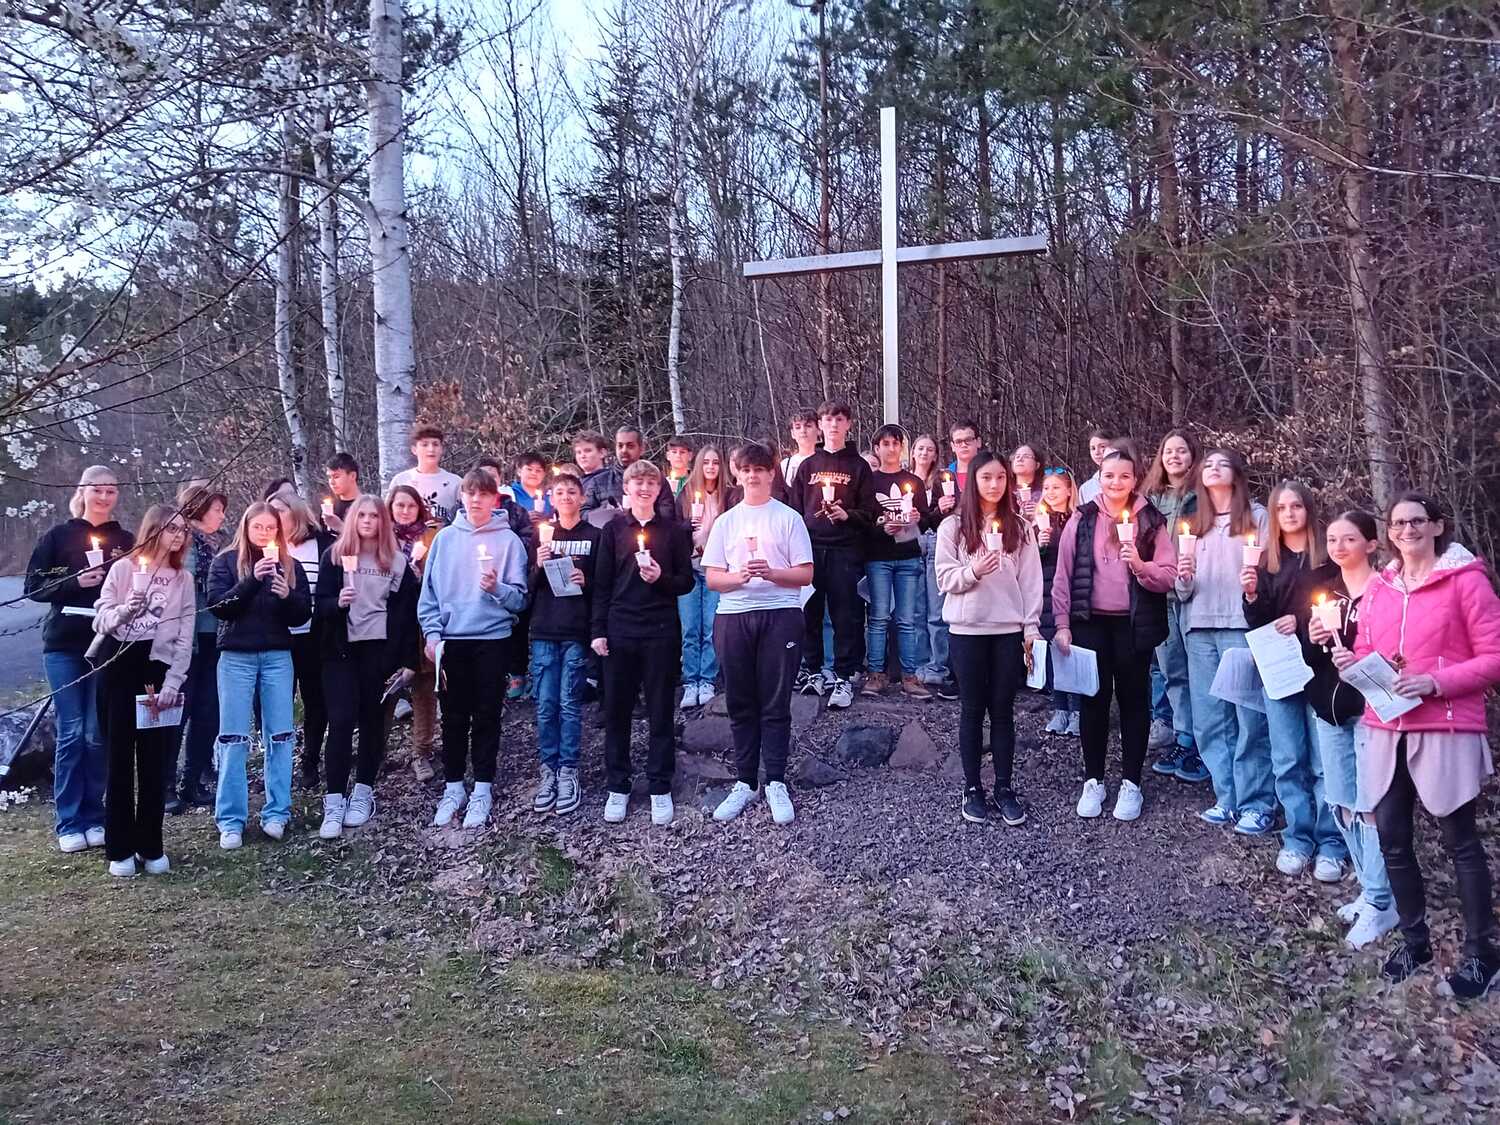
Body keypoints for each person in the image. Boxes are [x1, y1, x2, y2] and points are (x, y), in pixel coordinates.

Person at [1340, 493, 1500, 998]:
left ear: (1437, 526)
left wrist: (1435, 682)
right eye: (1398, 523)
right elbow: (1367, 648)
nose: (1407, 530)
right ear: (1388, 532)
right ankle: (1415, 942)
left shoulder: (1466, 581)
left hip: (1445, 727)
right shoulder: (1381, 588)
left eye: (1417, 521)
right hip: (1386, 727)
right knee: (1392, 838)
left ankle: (1482, 954)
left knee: (1460, 842)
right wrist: (1352, 664)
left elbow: (1494, 656)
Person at [1052, 450, 1177, 821]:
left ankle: (1131, 782)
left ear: (1135, 479)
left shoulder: (1151, 519)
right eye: (1109, 476)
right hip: (1090, 621)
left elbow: (1168, 574)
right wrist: (1062, 623)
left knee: (1134, 701)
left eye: (1124, 476)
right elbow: (1064, 573)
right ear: (1099, 478)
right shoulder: (1083, 517)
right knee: (1093, 700)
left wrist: (1140, 565)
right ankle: (1093, 780)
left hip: (1133, 624)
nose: (1116, 483)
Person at [704, 442, 815, 826]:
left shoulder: (788, 518)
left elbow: (805, 573)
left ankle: (776, 780)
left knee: (775, 701)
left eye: (760, 469)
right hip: (735, 616)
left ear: (771, 474)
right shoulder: (726, 522)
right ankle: (746, 780)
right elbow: (713, 578)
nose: (753, 476)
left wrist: (772, 573)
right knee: (741, 701)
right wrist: (738, 577)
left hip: (780, 614)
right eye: (747, 469)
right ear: (737, 474)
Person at [26, 465, 134, 853]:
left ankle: (95, 815)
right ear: (83, 491)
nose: (104, 497)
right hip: (64, 645)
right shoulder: (58, 536)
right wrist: (73, 582)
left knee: (96, 732)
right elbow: (34, 586)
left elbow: (138, 583)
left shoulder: (125, 540)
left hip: (107, 645)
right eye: (97, 490)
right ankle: (69, 821)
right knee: (71, 731)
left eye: (111, 491)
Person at [1243, 480, 1348, 881]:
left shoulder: (1328, 560)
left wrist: (1302, 620)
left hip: (1322, 669)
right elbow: (1258, 621)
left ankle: (1332, 841)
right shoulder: (1268, 562)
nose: (1289, 513)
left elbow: (1341, 608)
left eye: (1296, 506)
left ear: (1309, 510)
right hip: (1281, 670)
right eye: (1281, 508)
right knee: (1288, 758)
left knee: (1324, 762)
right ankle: (1298, 837)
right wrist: (1251, 596)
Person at [1304, 510, 1397, 949]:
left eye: (1350, 539)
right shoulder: (1329, 593)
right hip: (1330, 709)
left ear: (1371, 544)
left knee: (1370, 805)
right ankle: (1368, 885)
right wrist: (1312, 638)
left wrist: (1360, 660)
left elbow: (1398, 654)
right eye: (1333, 540)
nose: (1339, 547)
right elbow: (1312, 659)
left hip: (1370, 710)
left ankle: (1382, 900)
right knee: (1341, 802)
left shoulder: (1386, 592)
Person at [935, 451, 1042, 826]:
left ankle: (1004, 787)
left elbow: (1031, 582)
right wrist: (973, 570)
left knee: (1002, 711)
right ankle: (972, 787)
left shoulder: (1021, 528)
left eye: (1000, 477)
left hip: (1007, 631)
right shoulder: (953, 527)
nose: (994, 484)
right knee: (971, 709)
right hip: (967, 631)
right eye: (986, 477)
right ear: (973, 482)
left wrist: (1030, 628)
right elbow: (944, 579)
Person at [417, 470, 529, 829]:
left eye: (483, 494)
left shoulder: (509, 541)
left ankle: (482, 787)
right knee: (452, 717)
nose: (476, 500)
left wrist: (497, 588)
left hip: (492, 639)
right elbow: (428, 595)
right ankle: (453, 787)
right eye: (470, 493)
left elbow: (520, 601)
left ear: (494, 499)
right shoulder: (445, 539)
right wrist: (432, 634)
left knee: (486, 715)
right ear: (462, 498)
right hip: (452, 640)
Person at [92, 505, 195, 876]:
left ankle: (151, 845)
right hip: (119, 664)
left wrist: (174, 681)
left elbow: (185, 636)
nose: (179, 536)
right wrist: (124, 611)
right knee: (119, 758)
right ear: (153, 530)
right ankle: (120, 848)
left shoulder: (182, 578)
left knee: (154, 760)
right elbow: (101, 618)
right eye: (172, 528)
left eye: (183, 530)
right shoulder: (123, 569)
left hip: (157, 668)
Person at [1176, 448, 1274, 833]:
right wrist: (1183, 578)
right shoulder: (1192, 523)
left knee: (1248, 718)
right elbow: (1182, 591)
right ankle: (1227, 797)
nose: (1214, 469)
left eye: (1223, 464)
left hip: (1240, 626)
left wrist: (1256, 589)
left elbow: (1270, 574)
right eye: (1209, 465)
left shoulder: (1257, 517)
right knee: (1209, 717)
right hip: (1199, 627)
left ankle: (1257, 802)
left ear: (1236, 474)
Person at [592, 460, 695, 827]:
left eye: (651, 482)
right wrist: (598, 630)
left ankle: (659, 785)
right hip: (620, 629)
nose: (644, 488)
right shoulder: (612, 530)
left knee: (660, 710)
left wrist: (660, 578)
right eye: (638, 482)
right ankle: (618, 786)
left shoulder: (673, 531)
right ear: (627, 488)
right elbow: (601, 585)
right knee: (617, 711)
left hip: (660, 630)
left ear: (658, 489)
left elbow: (686, 582)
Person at [314, 495, 420, 839]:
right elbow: (320, 606)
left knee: (374, 722)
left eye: (374, 516)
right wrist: (336, 604)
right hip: (341, 652)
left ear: (383, 521)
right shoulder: (335, 556)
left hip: (379, 651)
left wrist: (408, 661)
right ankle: (334, 800)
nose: (368, 521)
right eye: (362, 515)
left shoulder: (396, 562)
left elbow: (407, 616)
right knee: (341, 721)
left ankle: (363, 792)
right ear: (352, 519)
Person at [208, 502, 312, 850]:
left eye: (271, 528)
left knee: (280, 735)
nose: (265, 533)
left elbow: (302, 614)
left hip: (277, 656)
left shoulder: (291, 565)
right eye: (258, 527)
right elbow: (219, 607)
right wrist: (252, 580)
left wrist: (286, 596)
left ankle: (277, 812)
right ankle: (230, 819)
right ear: (246, 528)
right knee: (234, 737)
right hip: (236, 656)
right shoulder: (226, 562)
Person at [788, 400, 877, 709]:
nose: (834, 425)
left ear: (848, 424)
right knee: (810, 613)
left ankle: (843, 675)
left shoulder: (859, 467)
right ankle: (813, 670)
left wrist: (847, 515)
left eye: (839, 419)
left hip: (845, 551)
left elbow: (870, 513)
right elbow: (795, 512)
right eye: (828, 419)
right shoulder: (808, 466)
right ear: (820, 426)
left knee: (845, 616)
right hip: (811, 549)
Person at [528, 472, 600, 816]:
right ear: (551, 499)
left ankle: (569, 770)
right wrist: (538, 565)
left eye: (573, 491)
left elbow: (604, 585)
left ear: (582, 498)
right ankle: (549, 769)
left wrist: (587, 579)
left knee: (569, 704)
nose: (567, 497)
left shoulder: (595, 536)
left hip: (576, 629)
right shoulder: (541, 535)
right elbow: (527, 587)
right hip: (544, 628)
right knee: (545, 705)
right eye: (560, 492)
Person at [1143, 430, 1208, 783]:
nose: (1174, 456)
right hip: (1162, 596)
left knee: (1200, 672)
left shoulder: (1202, 496)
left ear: (1192, 456)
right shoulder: (1151, 498)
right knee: (1173, 671)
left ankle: (1205, 742)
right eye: (1168, 451)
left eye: (1181, 450)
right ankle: (1184, 738)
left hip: (1195, 594)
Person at [169, 481, 230, 813]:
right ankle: (167, 783)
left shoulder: (221, 542)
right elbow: (181, 593)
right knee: (179, 711)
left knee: (208, 711)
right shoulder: (184, 542)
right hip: (186, 639)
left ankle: (192, 780)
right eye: (217, 509)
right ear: (201, 509)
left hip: (214, 636)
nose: (222, 515)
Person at [267, 488, 332, 788]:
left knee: (315, 701)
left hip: (313, 637)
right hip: (276, 637)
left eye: (279, 511)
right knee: (277, 703)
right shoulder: (266, 548)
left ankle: (310, 761)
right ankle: (276, 763)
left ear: (295, 512)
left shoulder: (322, 544)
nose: (274, 517)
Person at [862, 424, 933, 700]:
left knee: (906, 619)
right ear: (877, 448)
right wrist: (883, 527)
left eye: (895, 443)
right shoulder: (869, 481)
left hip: (908, 556)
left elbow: (926, 520)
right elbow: (864, 520)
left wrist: (916, 518)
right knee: (879, 617)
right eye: (885, 444)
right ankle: (876, 674)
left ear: (902, 448)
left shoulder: (913, 482)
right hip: (878, 557)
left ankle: (910, 676)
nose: (891, 449)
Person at [388, 485, 443, 782]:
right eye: (400, 505)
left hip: (422, 620)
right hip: (389, 623)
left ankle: (422, 751)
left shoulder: (433, 537)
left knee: (424, 687)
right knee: (387, 686)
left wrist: (420, 577)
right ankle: (376, 752)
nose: (405, 511)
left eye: (410, 506)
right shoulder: (382, 538)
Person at [678, 445, 726, 708]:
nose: (710, 467)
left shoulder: (727, 495)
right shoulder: (686, 495)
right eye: (706, 462)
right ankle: (690, 681)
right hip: (689, 567)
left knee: (710, 626)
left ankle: (707, 679)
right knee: (690, 628)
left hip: (714, 567)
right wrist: (687, 528)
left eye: (715, 462)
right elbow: (673, 529)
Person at [911, 434, 956, 699]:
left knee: (937, 610)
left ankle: (938, 665)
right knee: (916, 610)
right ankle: (919, 665)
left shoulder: (942, 480)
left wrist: (939, 510)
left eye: (929, 449)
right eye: (920, 448)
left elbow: (938, 520)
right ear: (913, 452)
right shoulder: (905, 479)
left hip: (936, 541)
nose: (924, 453)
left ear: (936, 454)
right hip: (911, 542)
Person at [1036, 466, 1081, 735]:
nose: (1050, 492)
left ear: (1068, 490)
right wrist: (1039, 545)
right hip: (1044, 593)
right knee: (1052, 652)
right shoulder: (1038, 523)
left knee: (1072, 649)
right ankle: (1060, 707)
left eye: (1056, 487)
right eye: (1046, 488)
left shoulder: (1078, 520)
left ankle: (1078, 709)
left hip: (1071, 592)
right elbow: (1029, 562)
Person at [582, 425, 677, 523]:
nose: (624, 450)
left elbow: (667, 514)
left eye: (630, 446)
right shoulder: (599, 481)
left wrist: (644, 514)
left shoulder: (657, 479)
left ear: (641, 448)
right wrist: (603, 513)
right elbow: (582, 513)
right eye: (620, 446)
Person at [388, 424, 464, 524]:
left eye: (435, 444)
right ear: (414, 450)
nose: (431, 449)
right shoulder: (401, 480)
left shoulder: (455, 482)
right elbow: (387, 516)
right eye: (424, 445)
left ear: (441, 449)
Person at [1077, 427, 1121, 505]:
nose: (1097, 452)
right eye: (1093, 448)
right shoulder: (1086, 489)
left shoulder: (1127, 480)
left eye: (1102, 447)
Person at [510, 450, 553, 517]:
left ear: (544, 474)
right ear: (519, 471)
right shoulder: (508, 494)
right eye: (529, 469)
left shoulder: (551, 496)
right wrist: (524, 518)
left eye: (538, 470)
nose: (534, 473)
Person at [780, 410, 819, 483]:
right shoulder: (786, 466)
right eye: (798, 427)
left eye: (808, 426)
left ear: (818, 430)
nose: (803, 431)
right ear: (792, 433)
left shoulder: (828, 461)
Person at [324, 451, 360, 530]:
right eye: (329, 477)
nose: (332, 482)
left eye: (336, 477)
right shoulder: (329, 506)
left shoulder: (366, 506)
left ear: (352, 476)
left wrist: (340, 527)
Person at [946, 419, 983, 493]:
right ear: (952, 446)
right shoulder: (944, 477)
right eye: (958, 441)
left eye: (968, 440)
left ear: (978, 442)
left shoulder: (990, 473)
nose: (963, 445)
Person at [1011, 444, 1042, 521]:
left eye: (1026, 456)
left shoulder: (1046, 492)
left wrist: (1040, 514)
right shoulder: (1004, 490)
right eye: (1017, 456)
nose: (1019, 459)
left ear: (1037, 465)